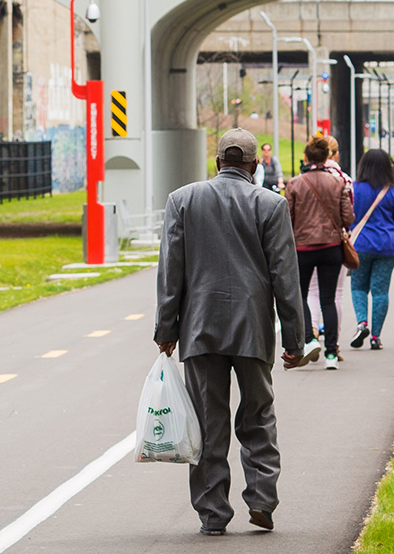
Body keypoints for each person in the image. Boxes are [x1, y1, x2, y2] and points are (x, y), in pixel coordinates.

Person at [155, 128, 311, 536]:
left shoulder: (182, 200)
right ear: (255, 165)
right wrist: (295, 340)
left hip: (200, 329)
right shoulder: (271, 205)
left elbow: (171, 273)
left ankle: (213, 514)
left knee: (208, 422)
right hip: (252, 330)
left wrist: (166, 329)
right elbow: (285, 278)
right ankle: (261, 501)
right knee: (258, 415)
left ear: (218, 162)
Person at [287, 135, 353, 369]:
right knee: (329, 299)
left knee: (301, 295)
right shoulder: (338, 183)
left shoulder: (295, 183)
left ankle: (309, 338)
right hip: (331, 248)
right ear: (327, 157)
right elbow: (348, 217)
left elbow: (289, 219)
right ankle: (332, 354)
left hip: (303, 248)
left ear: (306, 157)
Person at [349, 149, 394, 350]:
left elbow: (348, 215)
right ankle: (376, 336)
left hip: (361, 244)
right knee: (381, 291)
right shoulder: (392, 191)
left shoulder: (355, 188)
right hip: (387, 246)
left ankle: (362, 323)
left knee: (358, 286)